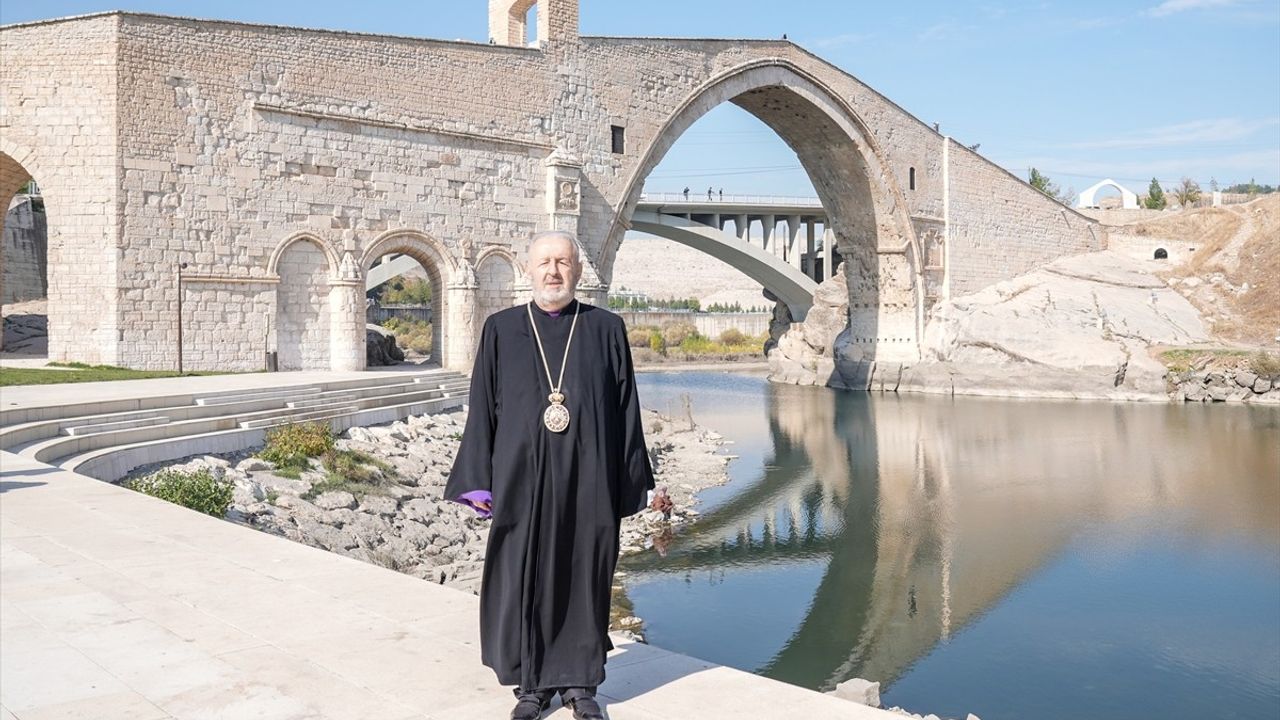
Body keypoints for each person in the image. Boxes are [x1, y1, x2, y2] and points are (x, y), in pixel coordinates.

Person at [446, 230, 656, 720]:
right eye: (545, 262)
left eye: (563, 262)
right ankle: (532, 688)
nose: (554, 271)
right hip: (521, 479)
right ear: (529, 268)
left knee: (585, 574)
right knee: (525, 575)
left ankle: (581, 686)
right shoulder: (501, 329)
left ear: (578, 270)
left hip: (590, 479)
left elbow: (626, 408)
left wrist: (632, 479)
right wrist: (480, 479)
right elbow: (482, 409)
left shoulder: (605, 328)